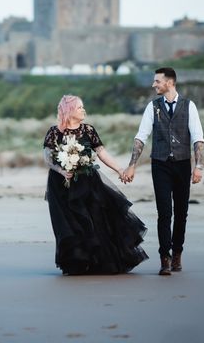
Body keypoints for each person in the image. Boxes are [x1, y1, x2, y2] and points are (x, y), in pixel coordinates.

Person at [43, 95, 149, 275]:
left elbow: (102, 153)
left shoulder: (88, 130)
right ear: (69, 111)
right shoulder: (54, 132)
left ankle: (98, 262)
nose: (83, 110)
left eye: (83, 107)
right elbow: (47, 156)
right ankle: (76, 263)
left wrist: (119, 170)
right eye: (79, 108)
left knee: (95, 221)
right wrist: (61, 170)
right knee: (69, 224)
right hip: (61, 185)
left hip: (87, 182)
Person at [123, 67, 204, 276]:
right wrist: (132, 164)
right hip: (160, 164)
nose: (154, 85)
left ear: (169, 82)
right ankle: (165, 258)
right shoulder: (153, 107)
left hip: (182, 164)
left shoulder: (189, 106)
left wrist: (199, 167)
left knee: (181, 213)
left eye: (157, 81)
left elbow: (197, 137)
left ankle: (177, 253)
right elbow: (141, 136)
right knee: (164, 213)